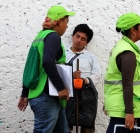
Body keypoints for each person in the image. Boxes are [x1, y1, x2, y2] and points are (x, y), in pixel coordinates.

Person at [17, 5, 75, 133]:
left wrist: (25, 92)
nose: (66, 26)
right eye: (66, 22)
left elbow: (31, 66)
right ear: (59, 21)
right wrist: (61, 87)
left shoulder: (40, 37)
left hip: (46, 97)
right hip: (46, 98)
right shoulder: (53, 36)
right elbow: (47, 62)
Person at [104, 12, 140, 133]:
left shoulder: (123, 47)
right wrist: (129, 112)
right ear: (133, 30)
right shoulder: (127, 53)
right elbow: (127, 84)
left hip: (126, 107)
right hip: (125, 110)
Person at [65, 24, 101, 133]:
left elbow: (97, 75)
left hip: (86, 96)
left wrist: (83, 80)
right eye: (77, 36)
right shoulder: (62, 54)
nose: (78, 40)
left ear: (87, 42)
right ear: (72, 36)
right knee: (64, 125)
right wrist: (71, 76)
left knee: (87, 125)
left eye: (83, 39)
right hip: (66, 95)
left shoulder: (91, 57)